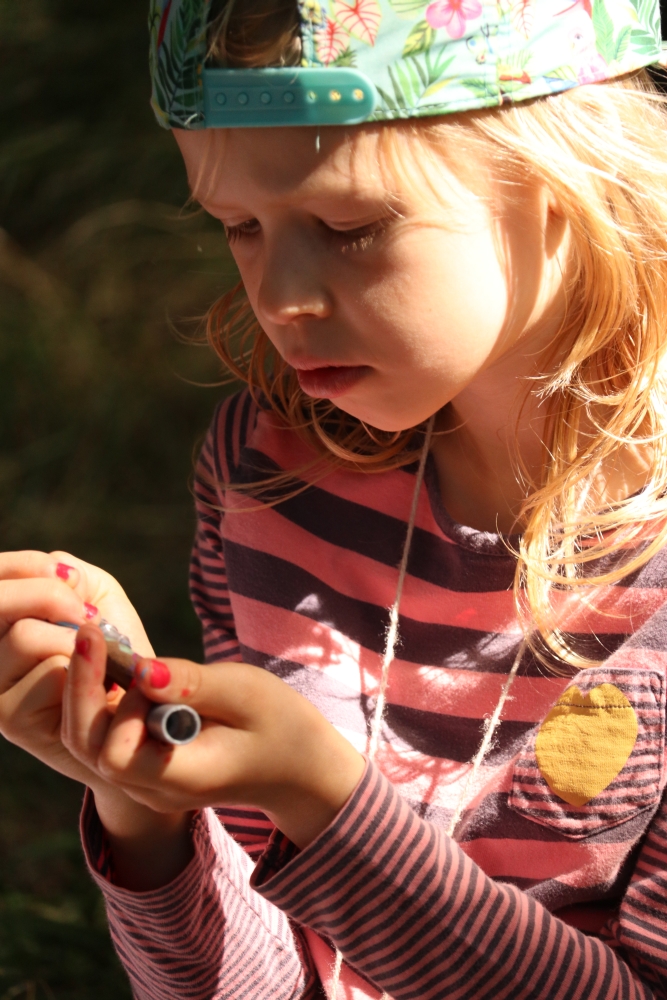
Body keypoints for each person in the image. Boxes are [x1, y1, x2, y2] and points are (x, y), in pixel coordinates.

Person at [2, 0, 667, 995]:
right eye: (239, 228)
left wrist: (327, 803)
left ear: (559, 200)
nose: (280, 297)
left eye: (349, 229)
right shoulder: (272, 486)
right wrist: (144, 804)